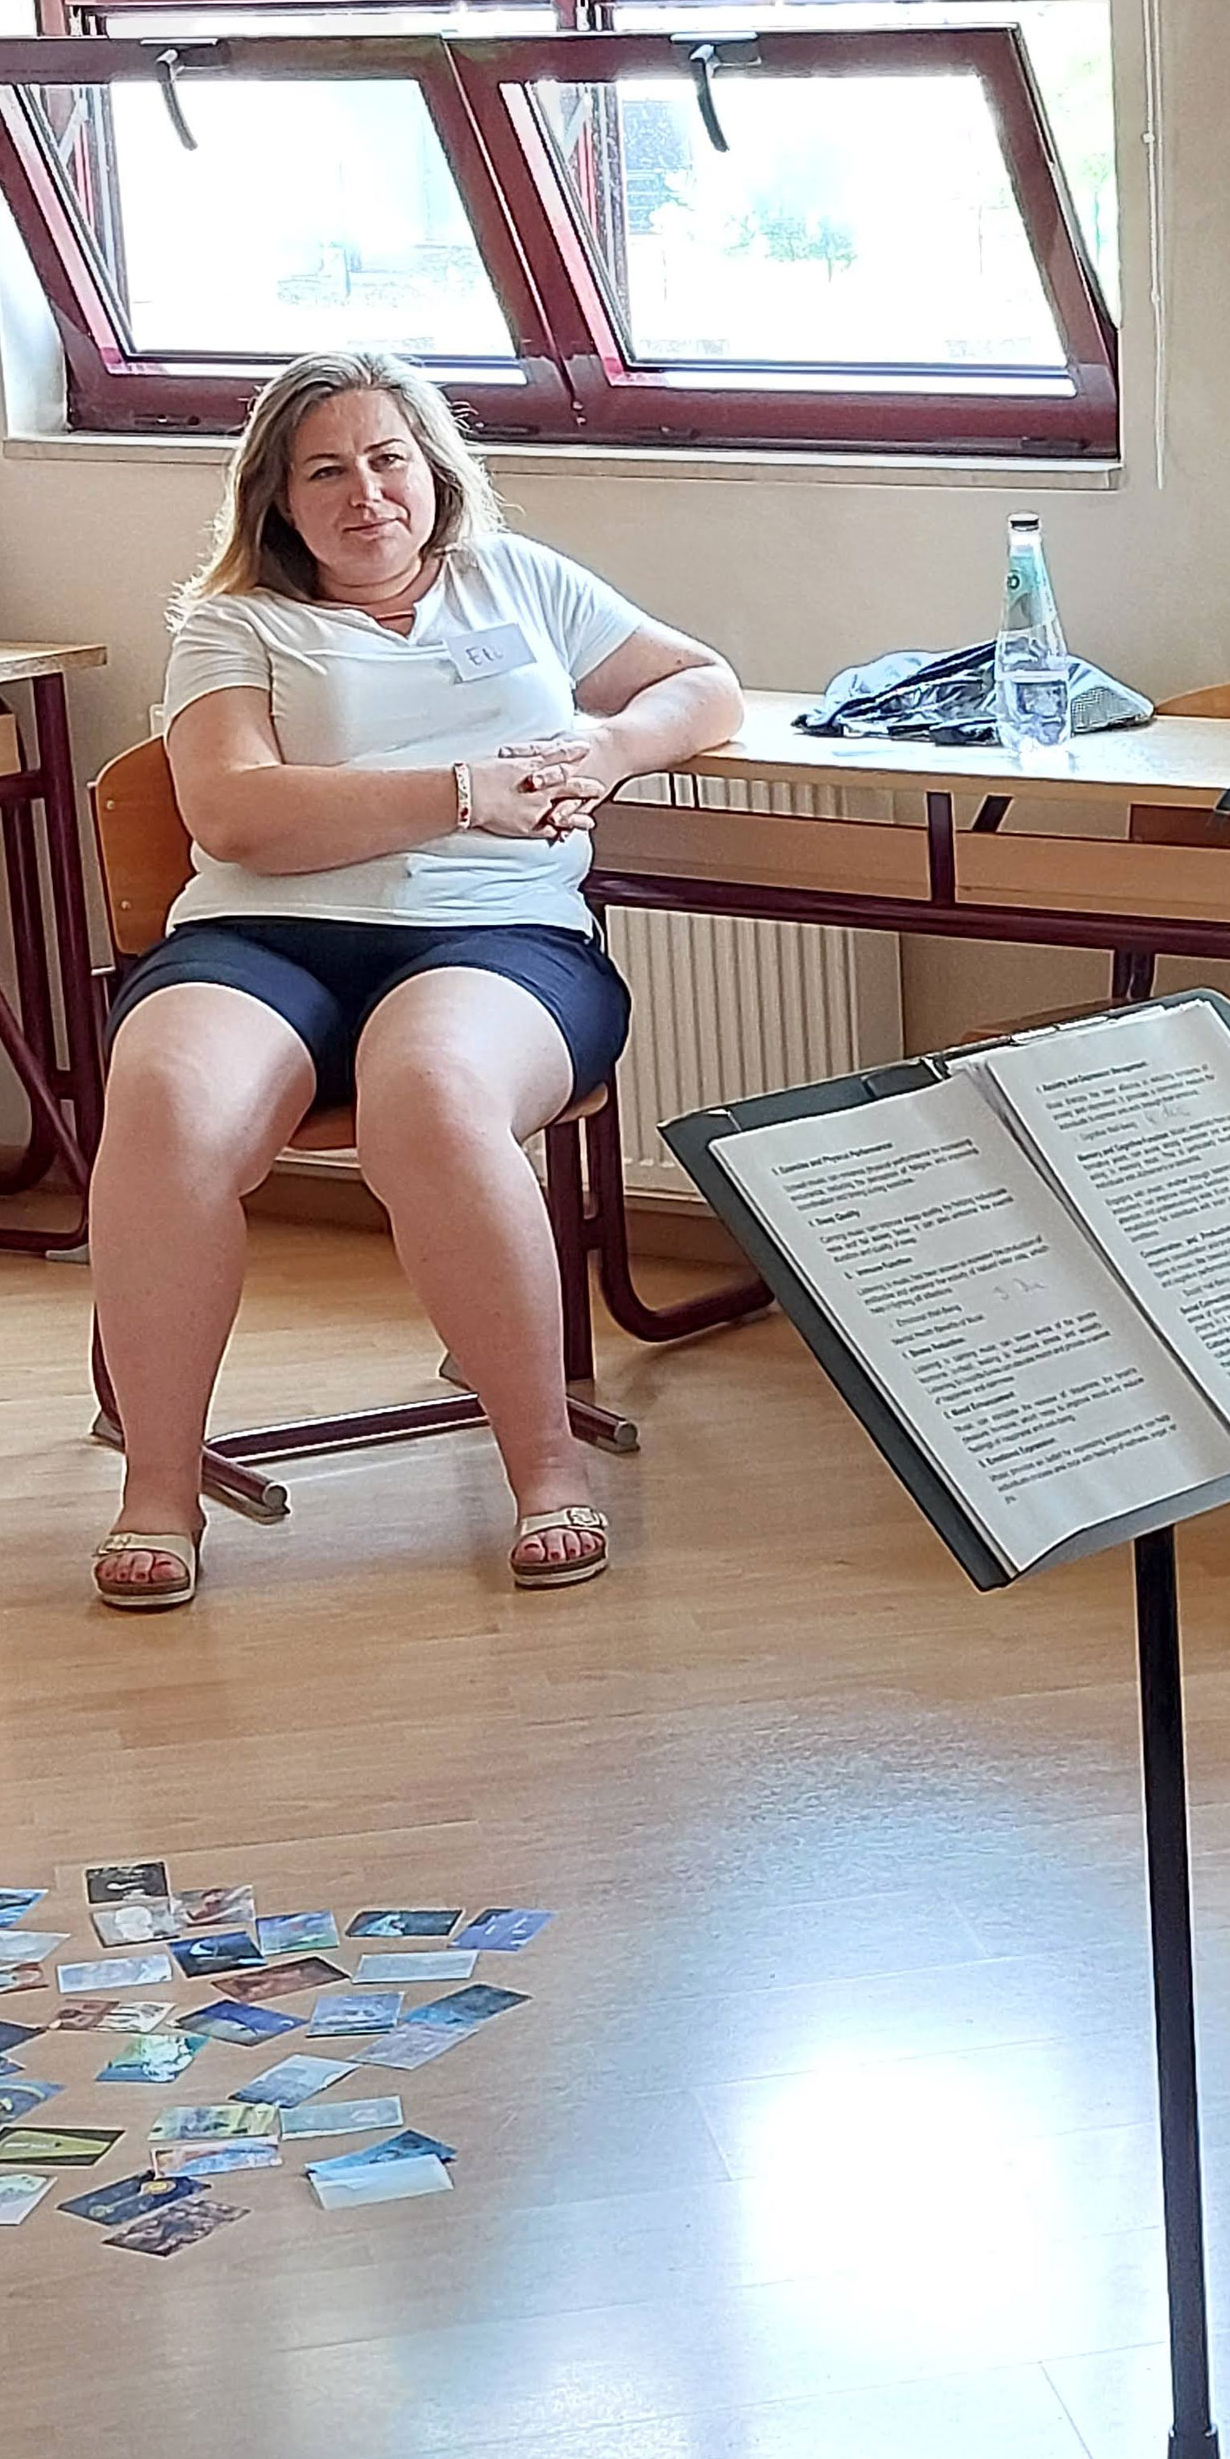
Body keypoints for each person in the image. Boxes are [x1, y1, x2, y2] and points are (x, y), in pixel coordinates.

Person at [87, 349, 744, 1610]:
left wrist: (610, 744)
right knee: (165, 1105)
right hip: (263, 935)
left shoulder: (519, 578)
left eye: (388, 459)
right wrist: (459, 793)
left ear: (434, 471)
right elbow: (231, 812)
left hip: (495, 935)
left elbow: (700, 682)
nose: (365, 493)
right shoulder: (234, 623)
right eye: (325, 471)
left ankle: (544, 1469)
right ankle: (158, 1489)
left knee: (432, 1097)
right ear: (278, 500)